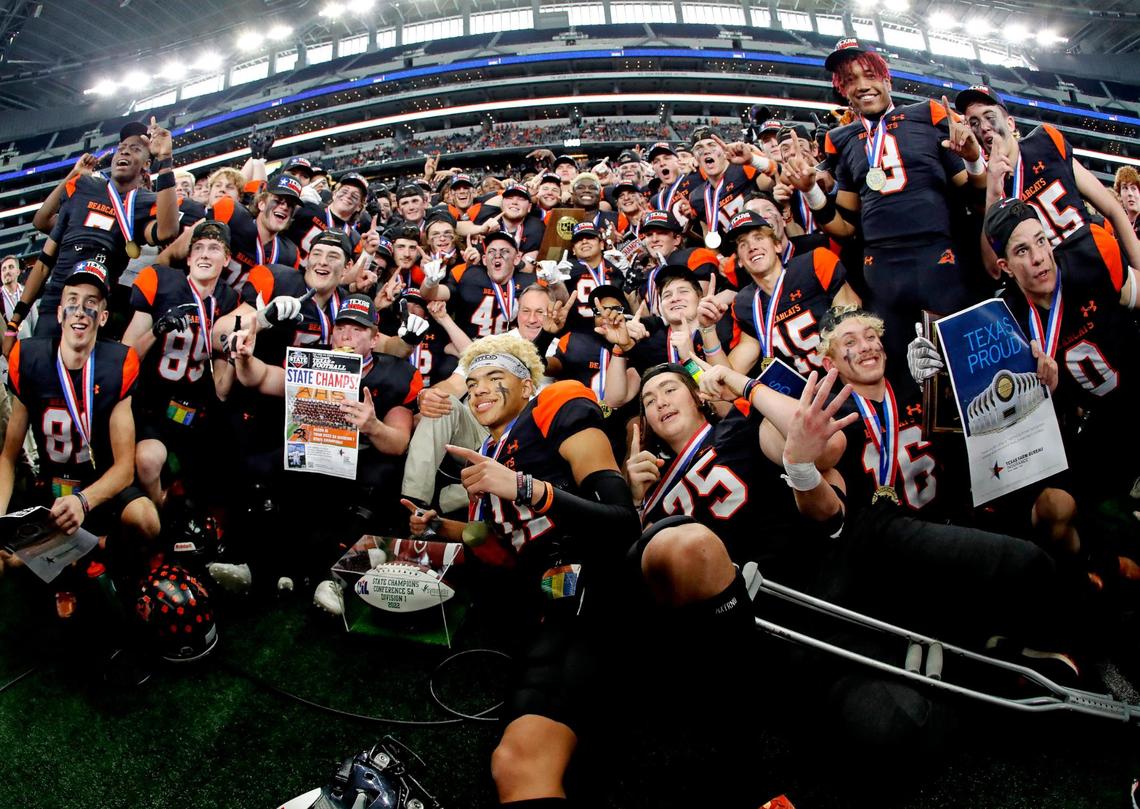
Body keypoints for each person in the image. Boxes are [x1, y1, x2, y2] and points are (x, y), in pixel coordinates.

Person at [401, 332, 639, 806]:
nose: (480, 389)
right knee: (515, 759)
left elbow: (620, 521)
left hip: (589, 581)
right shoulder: (490, 456)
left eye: (495, 376)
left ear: (528, 384)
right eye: (472, 383)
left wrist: (525, 487)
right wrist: (439, 527)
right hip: (545, 599)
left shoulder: (554, 402)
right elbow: (500, 543)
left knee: (517, 763)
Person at [784, 39, 988, 367]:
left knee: (963, 362)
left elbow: (977, 199)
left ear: (887, 79)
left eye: (869, 75)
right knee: (902, 370)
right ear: (842, 91)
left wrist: (975, 160)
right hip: (881, 271)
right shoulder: (839, 138)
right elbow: (845, 226)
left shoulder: (928, 113)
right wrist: (810, 191)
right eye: (850, 81)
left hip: (939, 258)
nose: (862, 86)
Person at [217, 293, 420, 604]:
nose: (346, 335)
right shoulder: (312, 359)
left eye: (358, 329)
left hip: (364, 459)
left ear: (375, 337)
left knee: (381, 485)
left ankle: (337, 579)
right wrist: (244, 358)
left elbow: (398, 443)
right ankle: (255, 564)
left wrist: (372, 425)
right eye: (341, 327)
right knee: (259, 468)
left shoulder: (397, 373)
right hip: (314, 451)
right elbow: (262, 378)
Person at [0, 262, 160, 562]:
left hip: (99, 484)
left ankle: (93, 546)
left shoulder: (118, 364)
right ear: (59, 313)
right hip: (53, 486)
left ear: (103, 317)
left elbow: (125, 469)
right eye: (72, 301)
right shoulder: (28, 358)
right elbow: (8, 457)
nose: (79, 310)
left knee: (147, 521)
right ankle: (63, 550)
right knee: (5, 561)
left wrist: (84, 502)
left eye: (91, 304)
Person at [14, 119, 179, 339]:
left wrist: (165, 159)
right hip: (56, 300)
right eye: (121, 148)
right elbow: (42, 221)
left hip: (96, 305)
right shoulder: (85, 186)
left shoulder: (145, 201)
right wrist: (73, 174)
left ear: (146, 164)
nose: (125, 152)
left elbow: (167, 231)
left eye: (135, 149)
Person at [954, 84, 1140, 277]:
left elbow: (1112, 209)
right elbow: (994, 269)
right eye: (974, 122)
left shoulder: (1045, 143)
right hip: (1048, 289)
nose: (983, 127)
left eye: (990, 117)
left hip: (1094, 263)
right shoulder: (985, 185)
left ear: (1010, 123)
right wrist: (992, 191)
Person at [121, 220, 240, 507]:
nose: (203, 254)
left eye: (214, 248)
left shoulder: (231, 299)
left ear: (226, 259)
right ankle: (156, 520)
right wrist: (156, 330)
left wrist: (237, 353)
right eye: (197, 247)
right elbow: (123, 359)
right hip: (153, 405)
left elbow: (223, 389)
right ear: (187, 257)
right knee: (148, 461)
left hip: (197, 409)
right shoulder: (161, 281)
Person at [722, 211, 858, 376]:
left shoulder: (816, 263)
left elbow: (854, 326)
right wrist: (707, 330)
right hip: (804, 394)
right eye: (743, 244)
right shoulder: (745, 303)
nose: (752, 247)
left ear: (777, 245)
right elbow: (730, 376)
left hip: (849, 372)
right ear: (740, 262)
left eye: (759, 238)